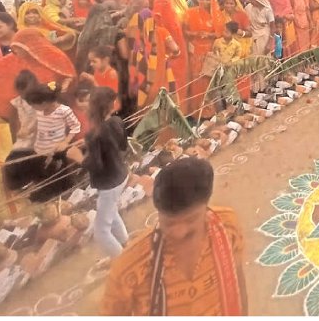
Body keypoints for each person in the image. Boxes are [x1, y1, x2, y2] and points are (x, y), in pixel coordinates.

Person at [102, 157, 246, 315]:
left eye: (190, 220)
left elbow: (237, 280)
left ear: (206, 205)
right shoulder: (129, 265)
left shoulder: (226, 226)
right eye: (169, 223)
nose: (179, 232)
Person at [66, 87, 128, 259]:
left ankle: (121, 260)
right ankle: (125, 243)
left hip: (108, 183)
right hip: (121, 174)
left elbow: (96, 166)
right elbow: (122, 147)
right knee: (111, 212)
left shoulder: (94, 135)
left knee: (101, 232)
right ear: (112, 105)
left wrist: (77, 156)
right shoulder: (116, 121)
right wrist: (91, 147)